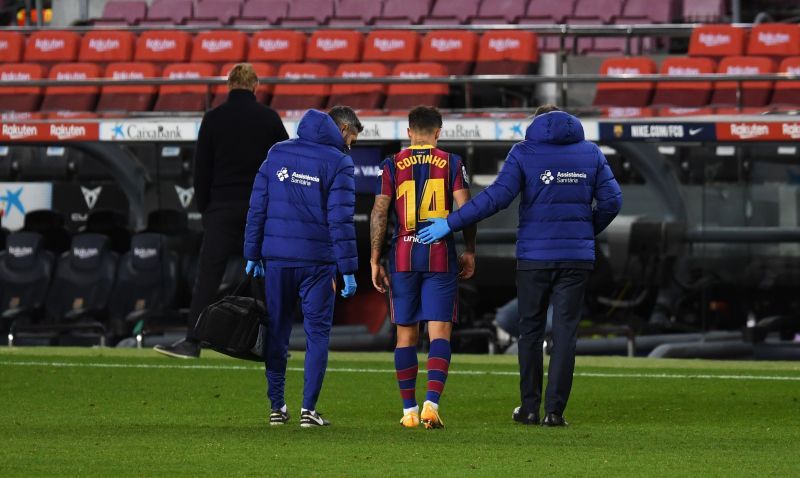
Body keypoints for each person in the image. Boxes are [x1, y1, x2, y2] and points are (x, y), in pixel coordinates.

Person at [418, 105, 622, 427]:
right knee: (565, 335)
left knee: (530, 331)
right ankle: (554, 413)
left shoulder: (524, 152)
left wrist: (451, 223)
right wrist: (584, 230)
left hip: (534, 258)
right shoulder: (591, 153)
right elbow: (612, 201)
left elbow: (497, 197)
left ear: (536, 123)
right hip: (576, 258)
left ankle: (529, 408)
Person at [155, 63, 288, 359]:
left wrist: (207, 210)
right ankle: (275, 345)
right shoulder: (268, 118)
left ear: (228, 86)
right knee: (265, 277)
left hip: (222, 209)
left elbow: (201, 171)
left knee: (208, 278)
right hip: (260, 210)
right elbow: (284, 164)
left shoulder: (213, 118)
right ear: (255, 86)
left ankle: (192, 342)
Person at [243, 106, 362, 428]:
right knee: (317, 335)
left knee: (277, 332)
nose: (351, 145)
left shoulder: (277, 153)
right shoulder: (338, 162)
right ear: (341, 129)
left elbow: (258, 206)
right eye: (350, 137)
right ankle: (309, 410)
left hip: (277, 260)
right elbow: (340, 220)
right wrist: (348, 269)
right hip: (317, 264)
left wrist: (252, 252)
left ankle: (277, 407)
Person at [370, 106, 476, 429]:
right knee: (439, 332)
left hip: (403, 257)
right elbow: (467, 209)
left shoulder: (392, 164)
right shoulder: (452, 162)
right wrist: (470, 250)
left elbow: (379, 211)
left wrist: (375, 258)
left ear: (408, 132)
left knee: (405, 336)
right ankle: (431, 404)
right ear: (438, 133)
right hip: (440, 255)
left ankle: (409, 412)